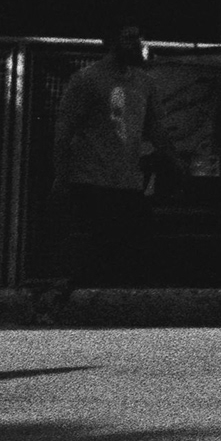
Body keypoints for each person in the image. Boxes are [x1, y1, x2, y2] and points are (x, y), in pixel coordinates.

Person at [51, 29, 151, 288]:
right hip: (93, 178)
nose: (135, 44)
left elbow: (155, 127)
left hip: (127, 180)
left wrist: (174, 161)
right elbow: (64, 131)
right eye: (128, 38)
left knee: (123, 251)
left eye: (137, 38)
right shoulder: (88, 79)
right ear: (111, 42)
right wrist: (62, 177)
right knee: (97, 248)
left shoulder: (142, 81)